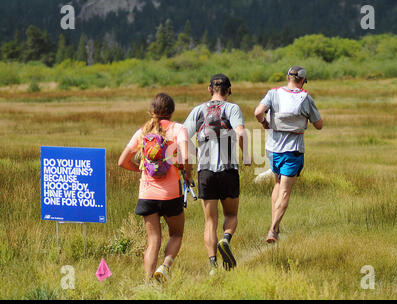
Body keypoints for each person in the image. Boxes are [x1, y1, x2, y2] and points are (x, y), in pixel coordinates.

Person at [118, 93, 191, 283]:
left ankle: (147, 283)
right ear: (172, 111)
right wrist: (187, 174)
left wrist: (141, 171)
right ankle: (164, 267)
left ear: (152, 110)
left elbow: (122, 161)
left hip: (147, 193)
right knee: (176, 234)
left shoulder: (142, 131)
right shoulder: (178, 129)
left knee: (153, 241)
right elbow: (184, 158)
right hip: (171, 194)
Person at [184, 74, 250, 274]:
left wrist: (196, 154)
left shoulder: (198, 110)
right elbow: (240, 132)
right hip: (228, 170)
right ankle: (226, 240)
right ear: (229, 90)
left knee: (210, 221)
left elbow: (182, 138)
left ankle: (213, 266)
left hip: (205, 171)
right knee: (231, 214)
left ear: (209, 89)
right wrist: (246, 155)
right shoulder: (232, 108)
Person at [254, 66, 323, 243]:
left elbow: (258, 112)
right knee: (285, 191)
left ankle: (273, 226)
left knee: (277, 184)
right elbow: (319, 125)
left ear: (288, 78)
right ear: (302, 81)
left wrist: (264, 123)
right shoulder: (305, 97)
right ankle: (273, 230)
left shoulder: (273, 93)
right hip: (293, 149)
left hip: (272, 148)